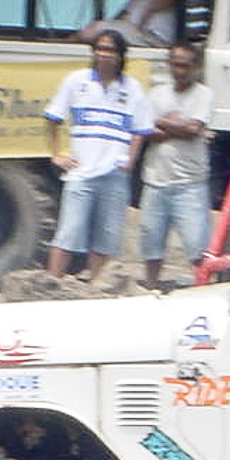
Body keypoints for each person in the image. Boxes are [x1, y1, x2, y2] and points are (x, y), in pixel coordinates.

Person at [43, 29, 153, 282]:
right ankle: (50, 285)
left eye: (110, 50)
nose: (104, 54)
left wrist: (131, 159)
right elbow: (52, 118)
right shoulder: (76, 81)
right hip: (81, 174)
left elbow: (140, 129)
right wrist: (56, 155)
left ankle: (97, 289)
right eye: (100, 49)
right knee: (68, 235)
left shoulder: (132, 88)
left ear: (120, 55)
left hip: (115, 175)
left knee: (105, 240)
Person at [139, 42, 213, 291]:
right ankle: (151, 287)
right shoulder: (156, 93)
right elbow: (147, 130)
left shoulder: (204, 94)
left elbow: (194, 129)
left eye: (185, 65)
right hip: (156, 179)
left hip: (189, 182)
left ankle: (202, 288)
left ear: (195, 67)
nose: (180, 71)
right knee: (151, 241)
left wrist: (163, 122)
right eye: (176, 65)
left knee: (197, 245)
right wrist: (176, 124)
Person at [78, 0, 178, 46]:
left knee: (90, 32)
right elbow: (125, 14)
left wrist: (146, 14)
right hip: (134, 32)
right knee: (90, 30)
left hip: (152, 36)